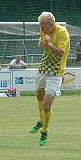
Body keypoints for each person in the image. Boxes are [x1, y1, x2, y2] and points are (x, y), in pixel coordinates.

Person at [29, 11, 70, 146]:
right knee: (39, 95)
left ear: (51, 25)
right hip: (44, 67)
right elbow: (41, 45)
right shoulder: (43, 30)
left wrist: (48, 44)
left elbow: (61, 53)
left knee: (47, 106)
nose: (41, 29)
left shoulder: (62, 32)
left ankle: (44, 130)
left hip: (56, 71)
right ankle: (41, 120)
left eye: (42, 26)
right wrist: (43, 43)